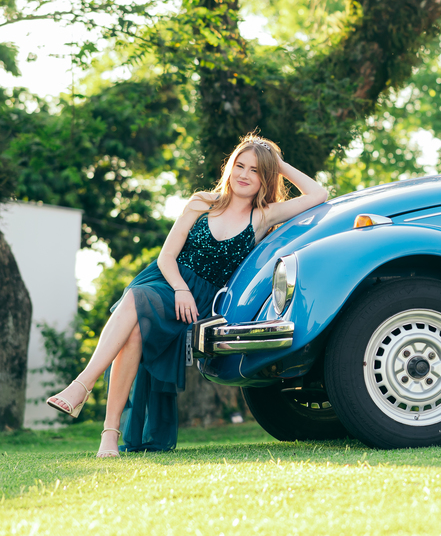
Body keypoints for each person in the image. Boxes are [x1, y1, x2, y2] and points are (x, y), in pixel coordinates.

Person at [45, 135, 329, 457]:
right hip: (167, 282)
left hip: (202, 301)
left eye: (256, 170)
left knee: (135, 330)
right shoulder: (201, 203)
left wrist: (274, 160)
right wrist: (180, 289)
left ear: (266, 178)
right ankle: (92, 401)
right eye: (240, 165)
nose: (245, 174)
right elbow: (167, 257)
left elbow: (319, 195)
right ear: (229, 168)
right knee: (134, 300)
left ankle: (95, 410)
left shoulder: (264, 216)